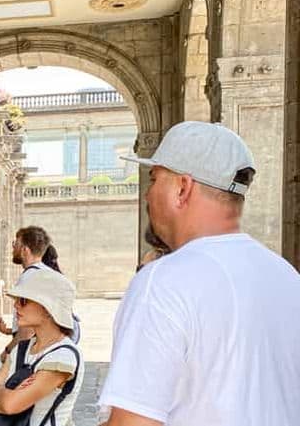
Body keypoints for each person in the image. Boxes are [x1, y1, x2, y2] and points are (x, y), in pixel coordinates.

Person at [100, 121, 300, 426]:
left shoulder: (165, 282)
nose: (147, 194)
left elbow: (133, 422)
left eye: (154, 179)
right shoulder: (286, 277)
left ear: (183, 187)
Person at [0, 268, 83, 426]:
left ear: (48, 309)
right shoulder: (22, 349)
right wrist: (9, 395)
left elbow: (11, 405)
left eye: (23, 300)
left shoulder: (63, 356)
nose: (16, 305)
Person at [0, 227, 50, 364]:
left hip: (30, 353)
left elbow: (28, 329)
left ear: (25, 250)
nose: (12, 248)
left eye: (15, 244)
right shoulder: (44, 273)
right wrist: (9, 331)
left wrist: (8, 350)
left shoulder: (29, 278)